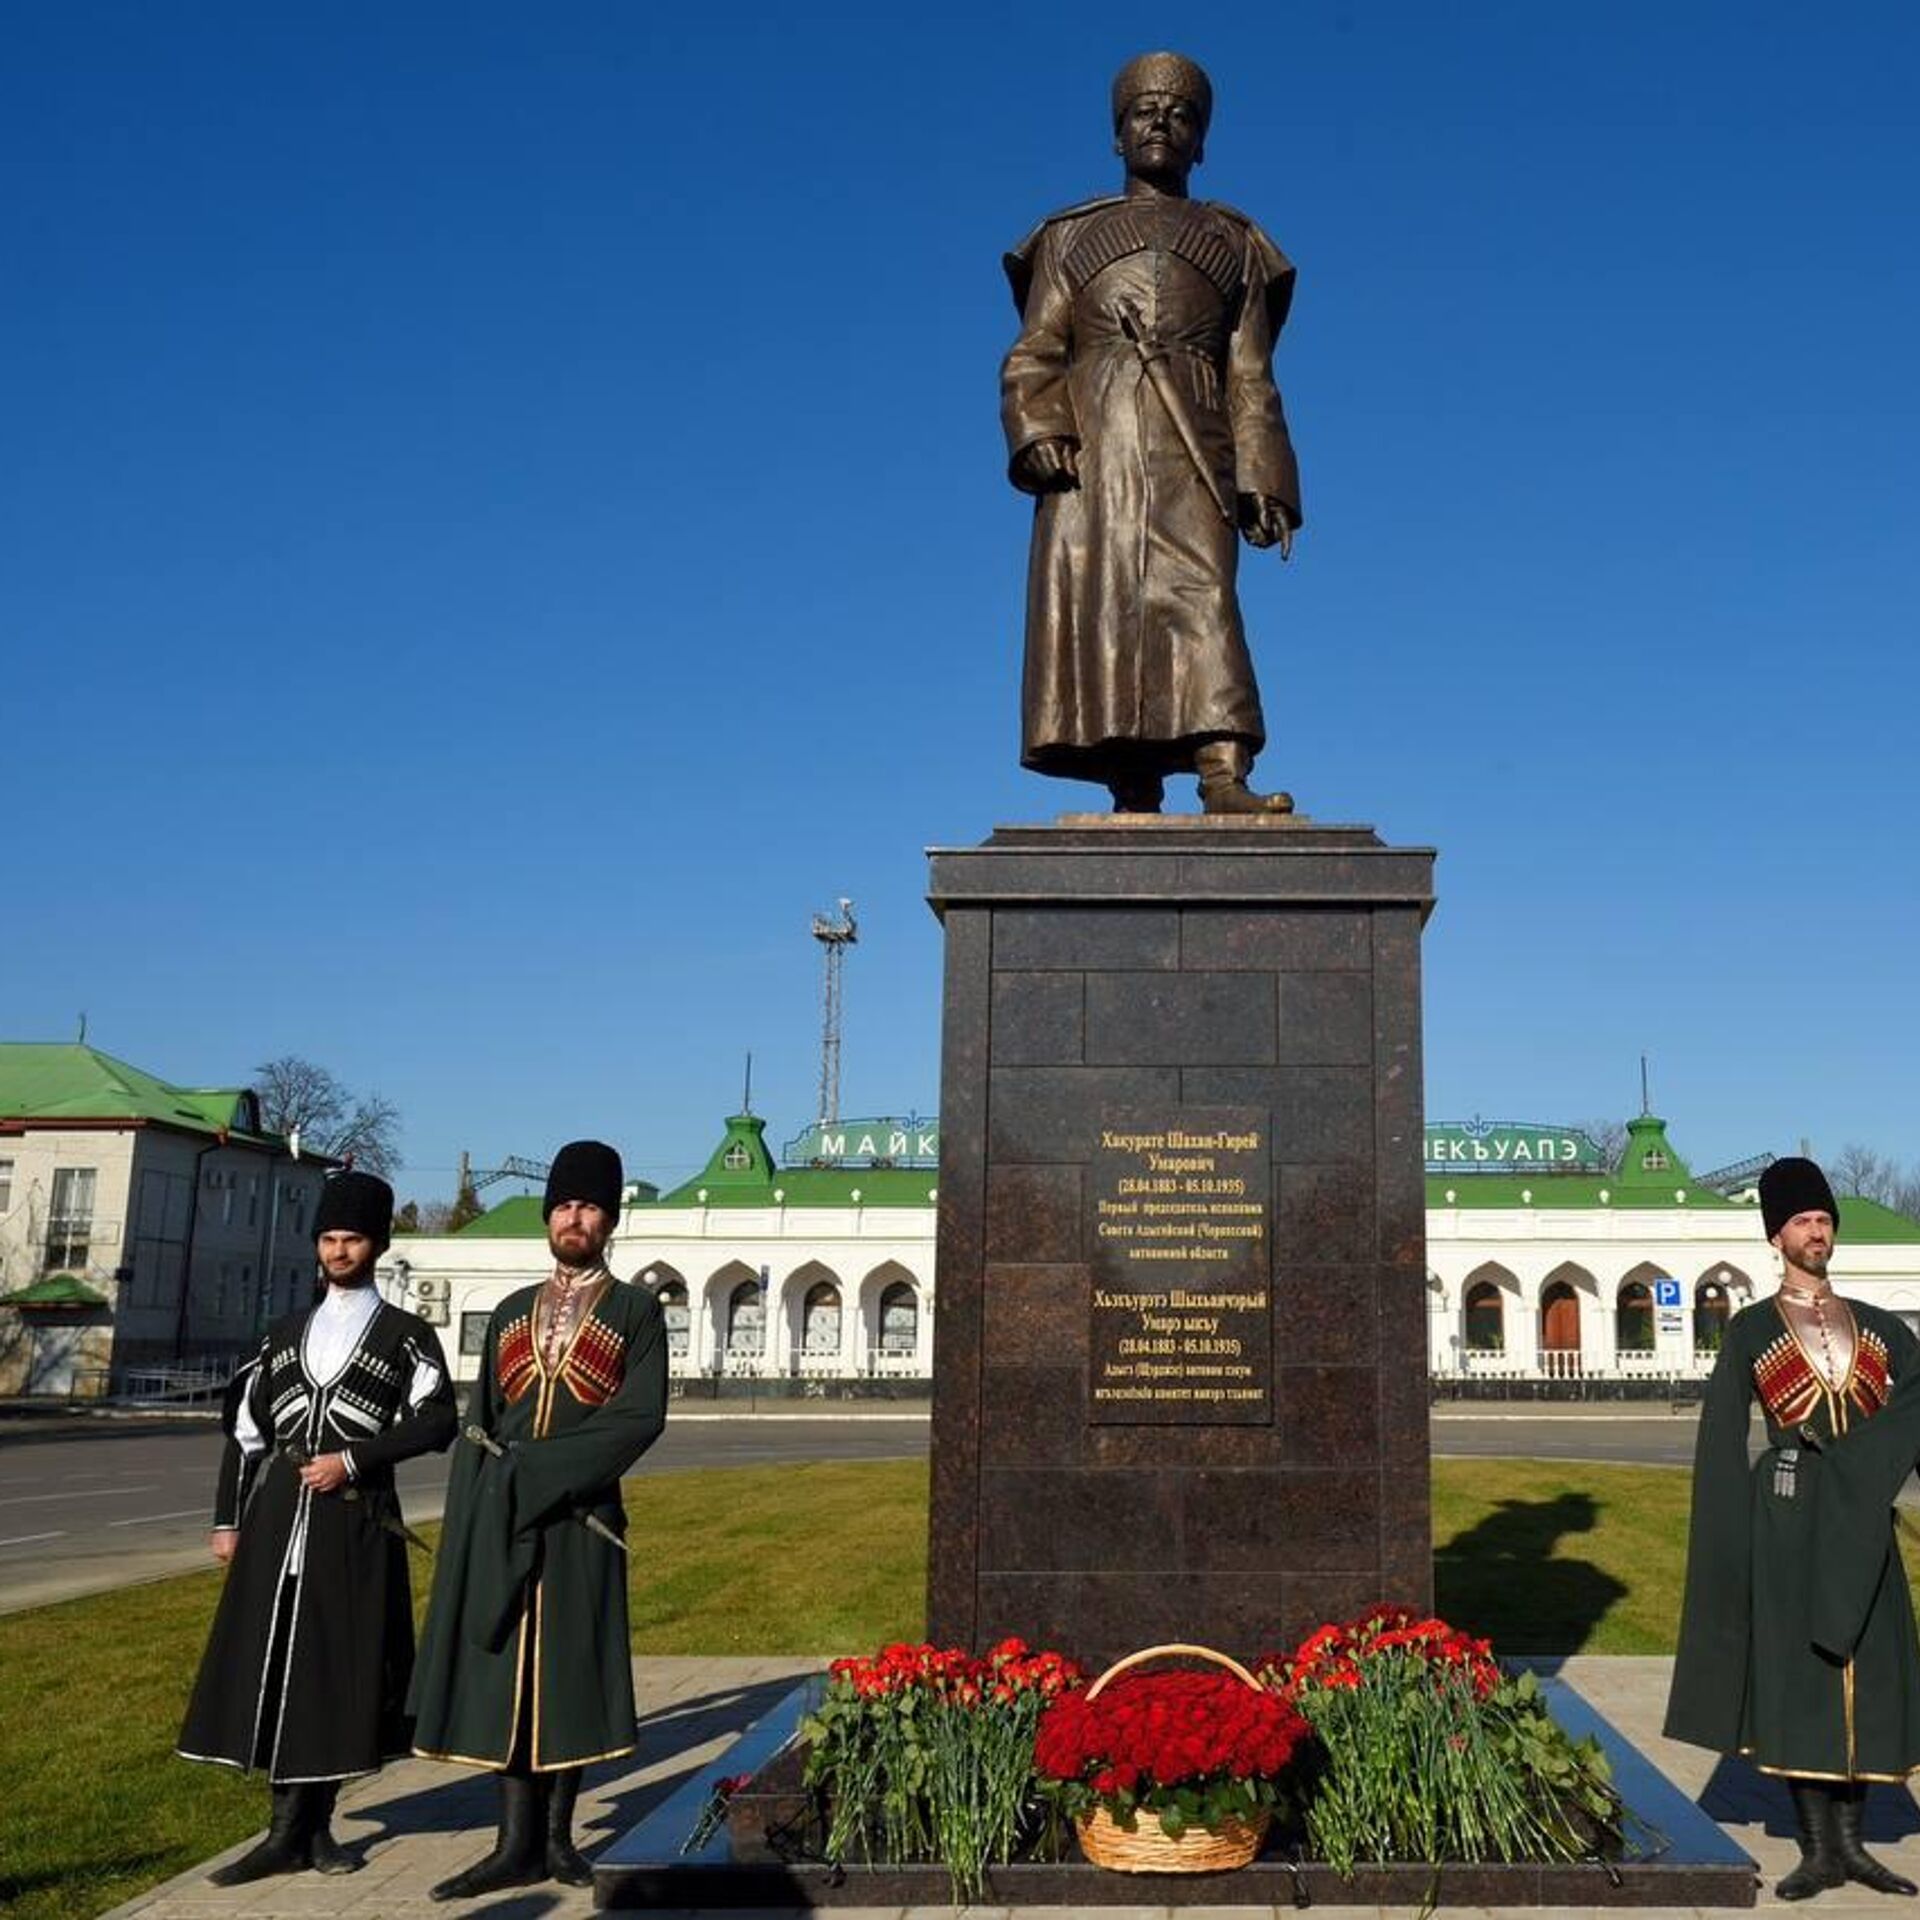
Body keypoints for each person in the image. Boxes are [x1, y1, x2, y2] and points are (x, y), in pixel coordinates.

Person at [1001, 51, 1303, 817]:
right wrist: (1038, 424)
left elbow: (1252, 373)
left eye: (1181, 115)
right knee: (1106, 608)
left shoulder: (1236, 243)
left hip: (1194, 439)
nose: (1161, 123)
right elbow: (1035, 350)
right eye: (1144, 112)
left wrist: (1267, 477)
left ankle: (1221, 771)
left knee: (1203, 596)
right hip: (1094, 444)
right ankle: (1130, 779)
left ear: (1201, 142)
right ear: (1117, 135)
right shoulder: (1069, 238)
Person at [177, 1169, 456, 1885]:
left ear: (376, 1245)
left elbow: (438, 1421)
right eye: (329, 1239)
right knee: (273, 1670)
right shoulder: (282, 1333)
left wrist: (355, 1460)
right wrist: (226, 1522)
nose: (339, 1250)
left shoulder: (405, 1335)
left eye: (352, 1238)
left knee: (338, 1672)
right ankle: (280, 1834)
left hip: (354, 1525)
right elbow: (245, 1433)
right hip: (277, 1525)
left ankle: (321, 1827)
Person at [410, 1139, 668, 1901]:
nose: (573, 1218)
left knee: (566, 1671)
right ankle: (509, 1845)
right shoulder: (513, 1313)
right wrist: (479, 1506)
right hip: (503, 1512)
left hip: (579, 1517)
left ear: (609, 1220)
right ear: (549, 1215)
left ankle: (557, 1841)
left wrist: (542, 1473)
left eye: (588, 1206)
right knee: (501, 1667)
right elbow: (481, 1421)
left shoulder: (635, 1311)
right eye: (563, 1205)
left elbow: (637, 1418)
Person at [1666, 1156, 1920, 1900]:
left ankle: (1856, 1847)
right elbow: (1720, 1440)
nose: (1819, 1232)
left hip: (1865, 1515)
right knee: (1805, 1677)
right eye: (1805, 1221)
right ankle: (1816, 1849)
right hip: (1789, 1517)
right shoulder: (1750, 1331)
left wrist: (1876, 1464)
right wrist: (1727, 1542)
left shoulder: (1878, 1330)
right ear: (1776, 1235)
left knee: (1869, 1672)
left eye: (1824, 1220)